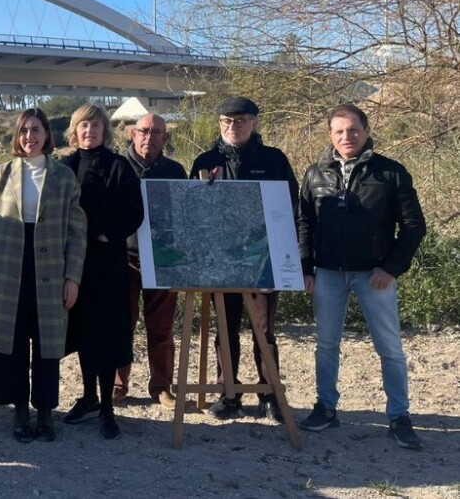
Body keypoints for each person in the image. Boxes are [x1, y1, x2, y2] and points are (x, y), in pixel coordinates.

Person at [296, 104, 426, 450]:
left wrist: (392, 268)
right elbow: (304, 223)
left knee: (389, 347)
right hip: (327, 273)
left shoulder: (391, 173)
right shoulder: (315, 174)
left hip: (374, 275)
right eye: (339, 131)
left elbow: (414, 225)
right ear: (330, 135)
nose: (346, 136)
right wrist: (306, 268)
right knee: (326, 344)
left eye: (353, 129)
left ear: (367, 131)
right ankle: (326, 408)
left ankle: (399, 417)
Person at [0, 108, 87, 443]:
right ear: (17, 135)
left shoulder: (64, 177)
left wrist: (73, 277)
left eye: (36, 130)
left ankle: (45, 412)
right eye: (24, 130)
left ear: (47, 135)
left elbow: (77, 232)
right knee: (13, 342)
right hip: (10, 267)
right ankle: (20, 410)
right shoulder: (2, 173)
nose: (29, 137)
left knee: (46, 345)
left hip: (50, 270)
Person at [188, 96, 298, 422]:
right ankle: (228, 394)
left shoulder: (274, 159)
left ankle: (271, 394)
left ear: (254, 123)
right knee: (225, 329)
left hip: (262, 259)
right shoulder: (205, 161)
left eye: (239, 121)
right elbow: (192, 212)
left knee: (263, 330)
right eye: (226, 121)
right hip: (221, 262)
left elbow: (291, 207)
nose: (232, 126)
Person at [61, 104, 144, 439]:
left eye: (95, 125)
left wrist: (109, 234)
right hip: (74, 264)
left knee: (106, 335)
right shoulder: (64, 167)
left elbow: (135, 211)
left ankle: (108, 407)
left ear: (104, 131)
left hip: (108, 264)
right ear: (75, 129)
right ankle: (89, 398)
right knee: (81, 331)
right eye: (84, 125)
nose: (89, 131)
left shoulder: (119, 166)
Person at [114, 113, 186, 411]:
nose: (149, 137)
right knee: (121, 326)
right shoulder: (117, 166)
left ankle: (161, 386)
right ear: (133, 134)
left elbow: (183, 215)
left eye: (157, 132)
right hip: (124, 259)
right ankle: (118, 384)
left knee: (162, 329)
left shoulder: (175, 171)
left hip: (163, 260)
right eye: (144, 131)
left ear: (165, 138)